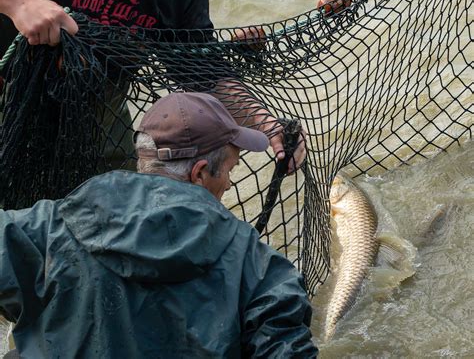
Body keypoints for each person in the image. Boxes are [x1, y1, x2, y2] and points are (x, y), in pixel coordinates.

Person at [0, 0, 306, 173]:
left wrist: (268, 125)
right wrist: (18, 1)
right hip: (8, 90)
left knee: (111, 204)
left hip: (95, 113)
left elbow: (204, 72)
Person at [0, 92, 318, 358]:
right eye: (231, 169)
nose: (230, 184)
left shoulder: (46, 228)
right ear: (200, 172)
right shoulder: (259, 267)